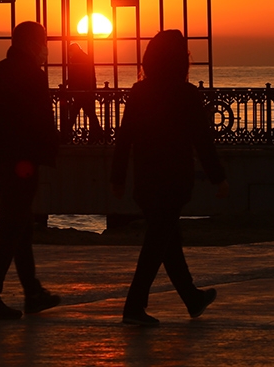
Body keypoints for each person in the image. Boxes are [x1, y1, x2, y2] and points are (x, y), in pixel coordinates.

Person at [111, 29, 229, 327]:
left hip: (146, 179)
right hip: (174, 180)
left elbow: (124, 138)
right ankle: (134, 307)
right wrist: (218, 178)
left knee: (166, 239)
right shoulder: (186, 94)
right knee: (157, 242)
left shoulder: (140, 92)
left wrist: (118, 176)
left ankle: (192, 298)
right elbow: (203, 141)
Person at [0, 21, 62, 320]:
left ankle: (32, 291)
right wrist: (49, 153)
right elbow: (42, 120)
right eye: (43, 42)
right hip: (20, 163)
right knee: (12, 228)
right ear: (34, 44)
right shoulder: (33, 75)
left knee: (20, 225)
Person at [62, 43, 103, 142]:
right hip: (86, 91)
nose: (69, 54)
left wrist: (69, 84)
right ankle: (98, 134)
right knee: (89, 113)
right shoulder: (86, 58)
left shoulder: (77, 59)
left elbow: (76, 75)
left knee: (75, 113)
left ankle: (65, 134)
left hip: (80, 91)